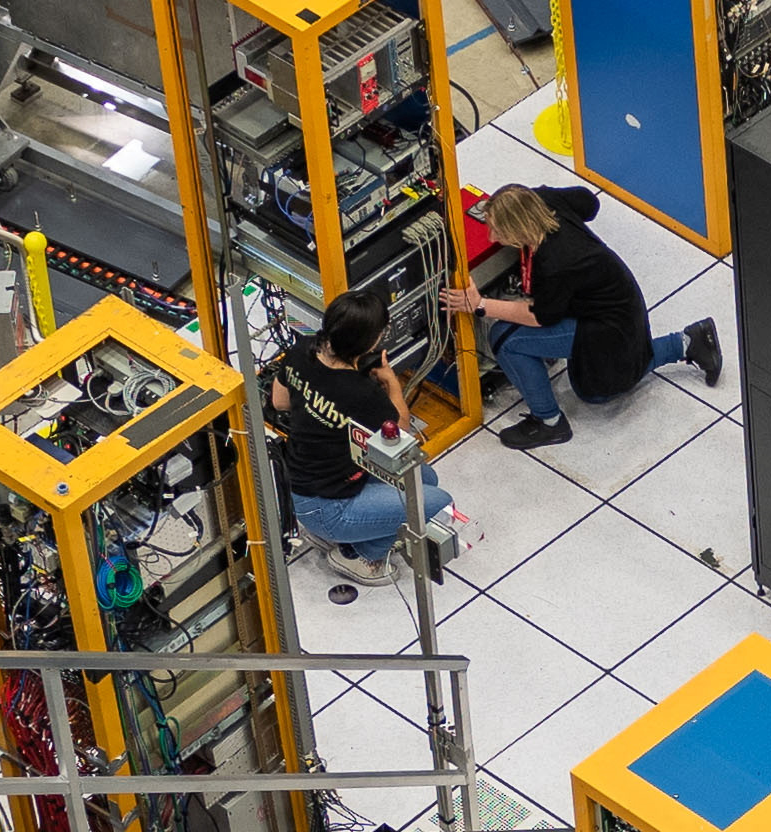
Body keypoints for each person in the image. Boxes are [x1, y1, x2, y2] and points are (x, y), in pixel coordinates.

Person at [470, 183, 714, 447]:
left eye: (498, 230)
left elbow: (540, 316)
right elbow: (589, 203)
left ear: (520, 226)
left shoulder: (557, 262)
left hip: (607, 326)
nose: (492, 237)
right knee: (598, 374)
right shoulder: (543, 201)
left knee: (507, 340)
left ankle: (548, 423)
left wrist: (481, 304)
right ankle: (688, 341)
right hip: (618, 300)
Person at [262, 290, 457, 601]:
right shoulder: (361, 394)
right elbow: (400, 433)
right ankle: (360, 556)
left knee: (425, 478)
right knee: (435, 500)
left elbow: (279, 401)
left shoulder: (301, 351)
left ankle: (351, 530)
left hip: (304, 481)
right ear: (370, 343)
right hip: (329, 506)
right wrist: (392, 382)